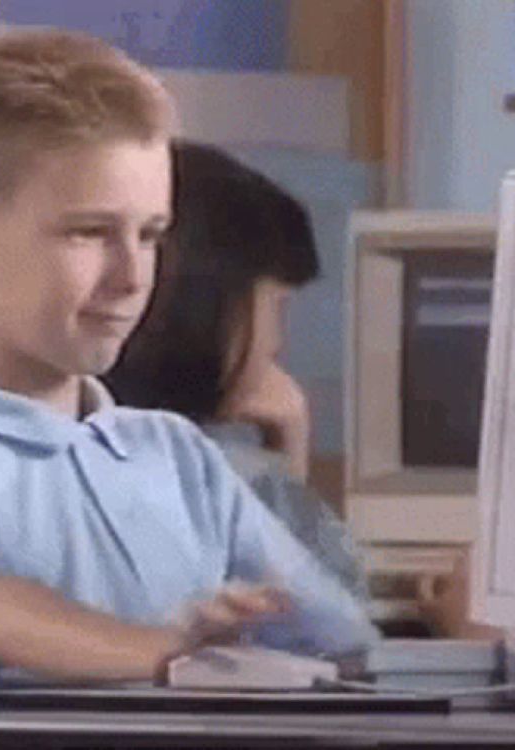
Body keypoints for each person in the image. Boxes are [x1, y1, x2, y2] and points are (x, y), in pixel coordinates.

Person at [0, 31, 381, 709]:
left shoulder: (179, 455)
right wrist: (170, 653)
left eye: (151, 235)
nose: (133, 277)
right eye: (90, 233)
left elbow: (336, 638)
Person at [104, 141, 369, 603]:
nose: (277, 343)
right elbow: (343, 642)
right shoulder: (225, 474)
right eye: (275, 308)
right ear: (210, 308)